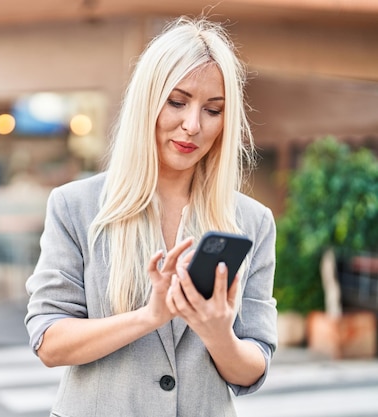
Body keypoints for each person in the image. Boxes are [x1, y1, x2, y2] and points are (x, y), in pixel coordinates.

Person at [24, 16, 277, 417]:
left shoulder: (252, 221)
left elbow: (253, 368)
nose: (192, 125)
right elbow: (50, 342)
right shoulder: (76, 206)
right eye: (177, 102)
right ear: (147, 100)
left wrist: (218, 335)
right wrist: (150, 317)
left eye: (213, 110)